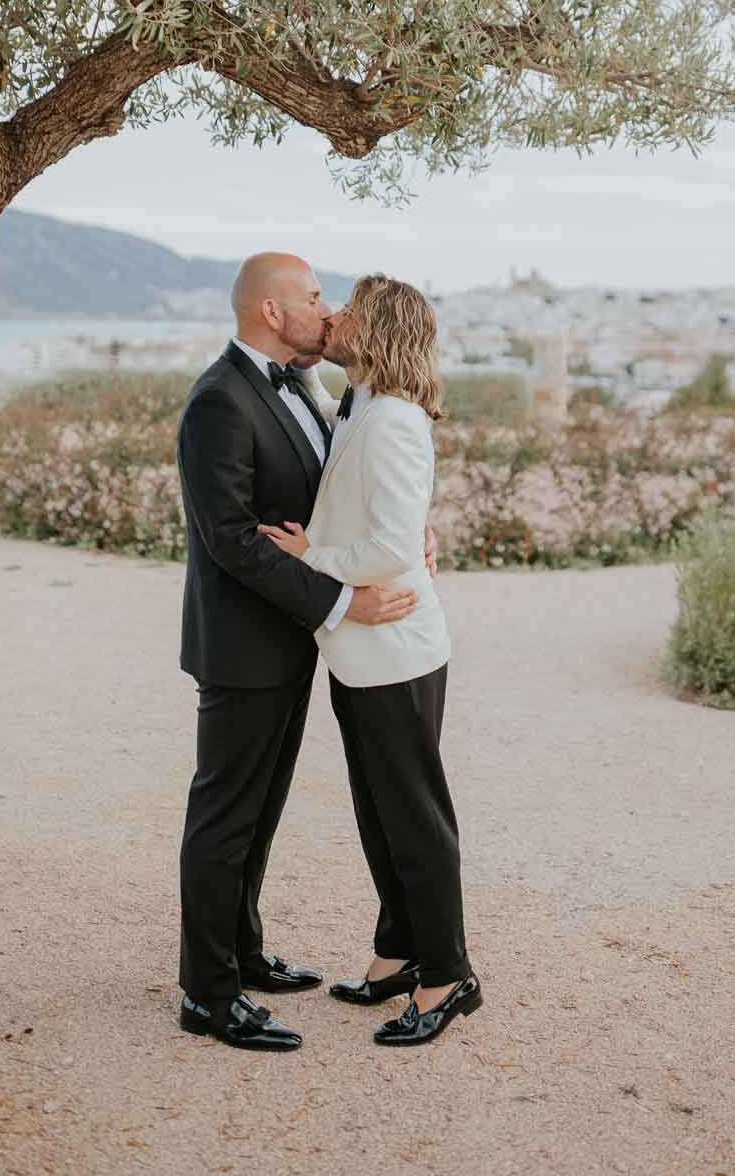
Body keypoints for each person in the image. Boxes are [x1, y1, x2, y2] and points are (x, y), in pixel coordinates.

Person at [175, 253, 431, 1053]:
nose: (327, 310)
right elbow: (230, 541)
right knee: (224, 820)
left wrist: (408, 536)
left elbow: (349, 489)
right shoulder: (219, 400)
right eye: (314, 297)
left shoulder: (312, 390)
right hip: (244, 647)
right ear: (270, 312)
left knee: (258, 816)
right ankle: (207, 995)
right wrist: (343, 600)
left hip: (287, 644)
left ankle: (243, 955)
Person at [260, 274, 482, 1047]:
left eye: (349, 307)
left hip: (396, 648)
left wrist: (308, 554)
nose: (335, 315)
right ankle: (396, 954)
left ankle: (448, 975)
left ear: (377, 326)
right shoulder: (362, 404)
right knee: (381, 813)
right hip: (365, 652)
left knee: (413, 819)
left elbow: (390, 545)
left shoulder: (391, 420)